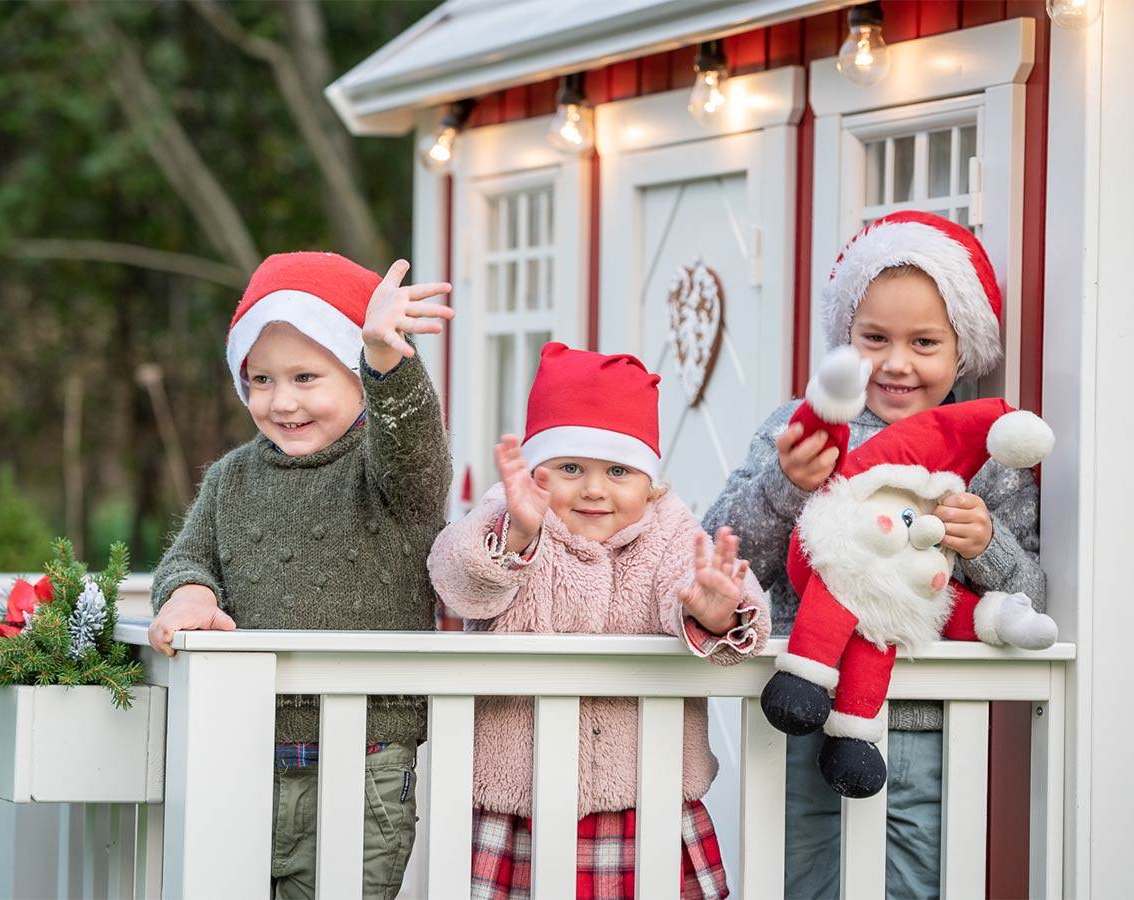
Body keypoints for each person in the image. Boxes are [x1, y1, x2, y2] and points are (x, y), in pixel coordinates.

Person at [702, 211, 1049, 898]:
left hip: (925, 728)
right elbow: (725, 552)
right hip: (802, 709)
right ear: (845, 339)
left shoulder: (991, 455)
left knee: (913, 883)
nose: (896, 362)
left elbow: (1031, 597)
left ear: (963, 348)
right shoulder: (798, 429)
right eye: (874, 339)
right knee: (798, 878)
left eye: (924, 342)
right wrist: (786, 483)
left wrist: (987, 545)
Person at [147, 252, 454, 900]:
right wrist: (190, 594)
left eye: (306, 377)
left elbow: (417, 447)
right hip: (242, 758)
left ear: (356, 374)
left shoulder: (387, 475)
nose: (281, 401)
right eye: (260, 379)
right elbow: (187, 556)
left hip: (365, 764)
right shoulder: (232, 477)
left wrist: (387, 363)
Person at [428, 341, 771, 899]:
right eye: (570, 468)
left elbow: (690, 580)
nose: (593, 488)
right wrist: (516, 534)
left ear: (650, 483)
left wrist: (711, 609)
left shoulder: (668, 531)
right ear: (536, 472)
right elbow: (456, 582)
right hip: (520, 803)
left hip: (647, 800)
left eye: (617, 470)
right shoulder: (515, 514)